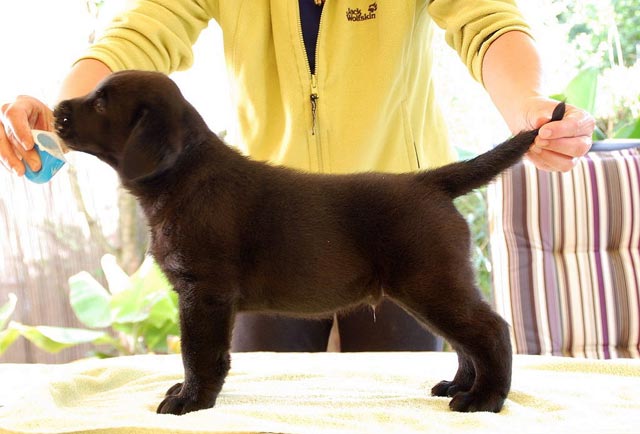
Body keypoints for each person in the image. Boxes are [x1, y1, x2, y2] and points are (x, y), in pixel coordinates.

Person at [0, 0, 594, 352]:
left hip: (392, 217)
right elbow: (142, 33)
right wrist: (60, 117)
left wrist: (526, 105)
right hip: (262, 228)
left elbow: (485, 20)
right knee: (264, 408)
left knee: (397, 407)